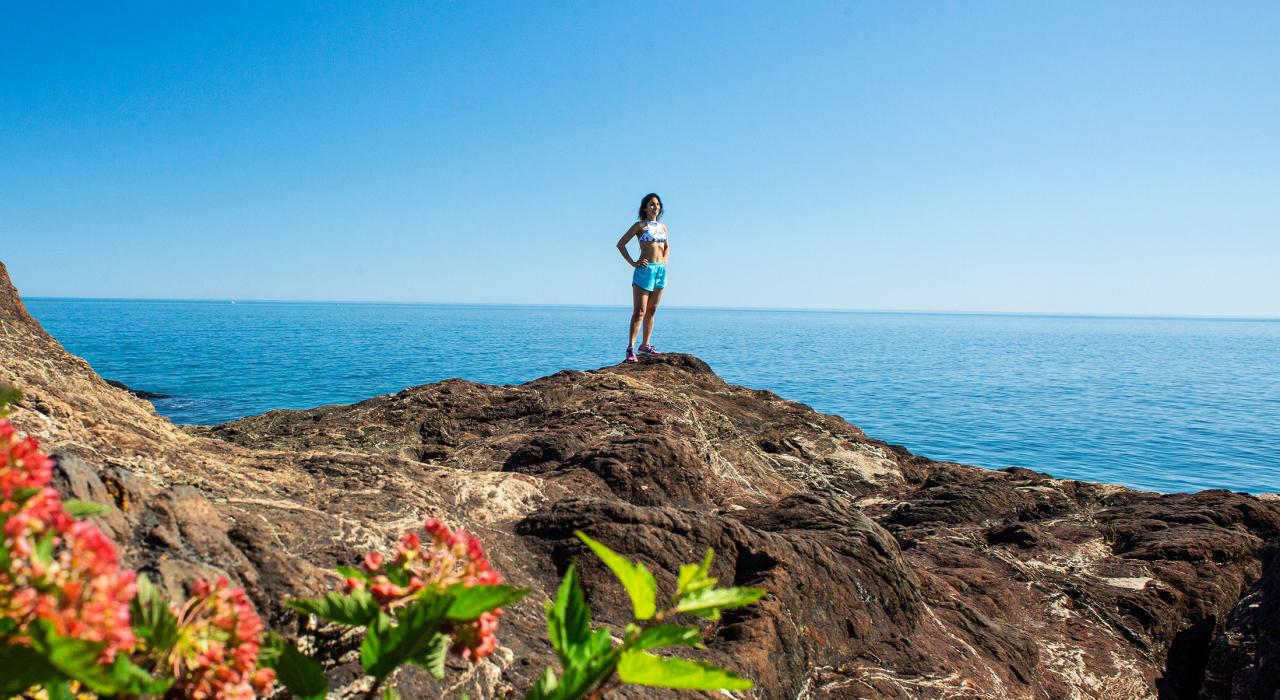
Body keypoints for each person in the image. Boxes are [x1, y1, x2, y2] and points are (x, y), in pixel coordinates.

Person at [615, 193, 669, 363]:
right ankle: (631, 348)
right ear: (645, 208)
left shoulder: (663, 228)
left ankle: (645, 345)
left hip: (660, 271)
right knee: (639, 311)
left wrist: (664, 262)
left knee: (652, 310)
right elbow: (621, 244)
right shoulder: (640, 226)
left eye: (658, 204)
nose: (656, 207)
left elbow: (666, 247)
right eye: (652, 204)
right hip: (645, 270)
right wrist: (633, 262)